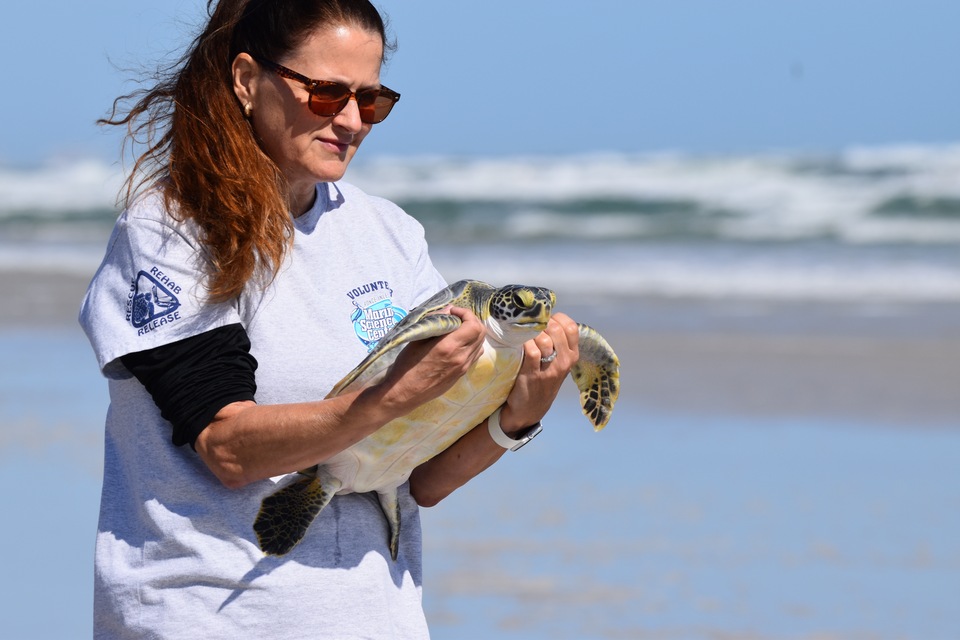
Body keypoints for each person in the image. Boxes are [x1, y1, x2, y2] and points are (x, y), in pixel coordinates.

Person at [80, 0, 579, 637]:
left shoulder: (389, 235)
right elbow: (227, 447)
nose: (351, 121)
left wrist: (517, 418)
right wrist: (386, 399)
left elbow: (421, 479)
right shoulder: (173, 230)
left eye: (371, 100)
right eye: (326, 94)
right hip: (207, 614)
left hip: (375, 618)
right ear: (245, 80)